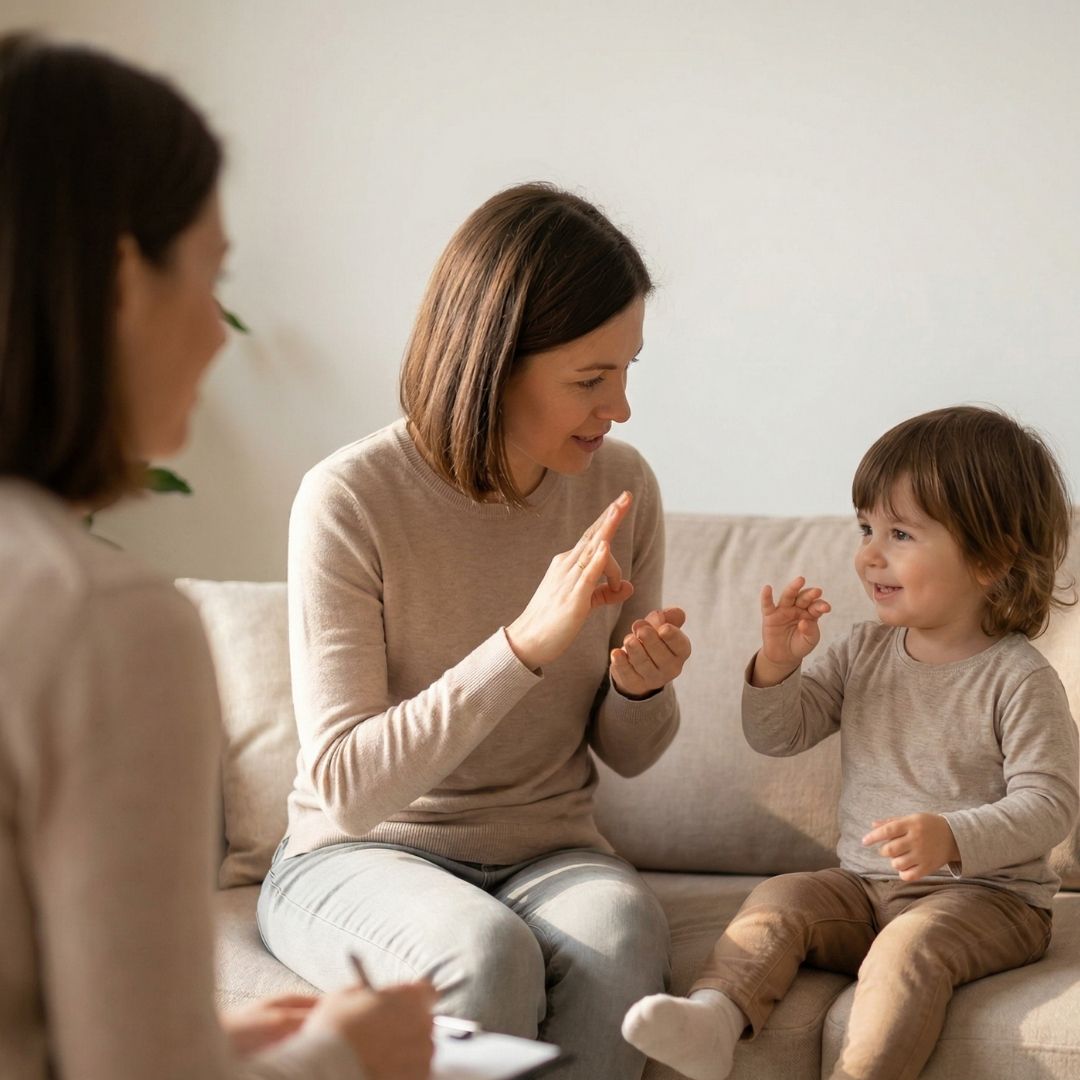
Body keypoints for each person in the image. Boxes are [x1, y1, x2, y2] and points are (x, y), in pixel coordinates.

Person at [0, 32, 434, 1079]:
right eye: (208, 276)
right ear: (117, 280)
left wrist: (214, 1045)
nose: (217, 333)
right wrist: (344, 1056)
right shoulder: (96, 616)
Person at [257, 182, 692, 1080]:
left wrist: (640, 687)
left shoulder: (623, 486)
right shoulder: (350, 500)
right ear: (494, 360)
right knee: (484, 954)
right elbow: (344, 789)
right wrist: (524, 645)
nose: (619, 406)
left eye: (627, 369)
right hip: (358, 857)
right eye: (589, 378)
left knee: (623, 932)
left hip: (550, 851)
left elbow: (632, 755)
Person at [623, 405, 1080, 1080]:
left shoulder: (1018, 677)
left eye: (900, 533)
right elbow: (779, 735)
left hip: (990, 899)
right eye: (866, 527)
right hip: (863, 890)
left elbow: (1051, 805)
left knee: (907, 951)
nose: (869, 553)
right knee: (783, 900)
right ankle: (717, 1018)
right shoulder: (865, 649)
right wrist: (778, 665)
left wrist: (951, 838)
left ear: (991, 558)